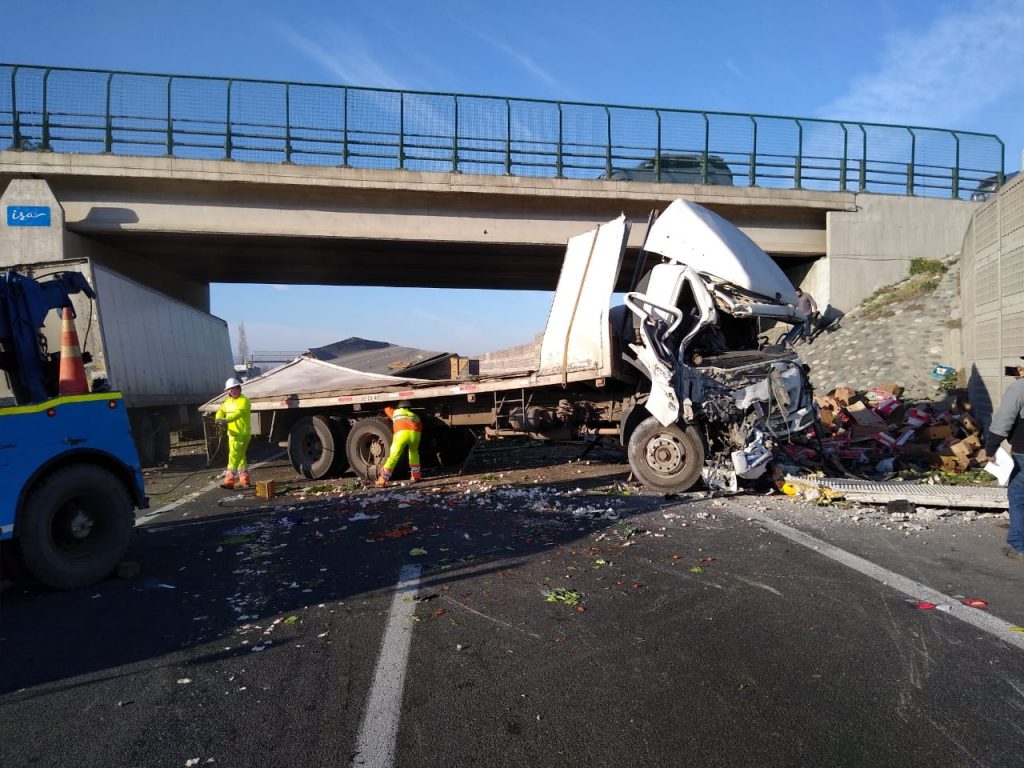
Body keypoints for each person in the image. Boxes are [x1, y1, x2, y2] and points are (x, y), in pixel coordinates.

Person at [984, 359, 1024, 560]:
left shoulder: (1020, 387)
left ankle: (1019, 546)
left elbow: (1004, 419)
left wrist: (991, 446)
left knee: (1019, 497)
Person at [215, 377, 252, 489]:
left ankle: (229, 481)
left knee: (234, 457)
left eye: (235, 388)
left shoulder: (244, 401)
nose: (234, 391)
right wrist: (218, 418)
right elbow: (221, 410)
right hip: (232, 434)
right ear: (228, 391)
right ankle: (245, 480)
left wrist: (225, 420)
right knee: (241, 457)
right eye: (231, 389)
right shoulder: (227, 402)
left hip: (242, 434)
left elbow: (238, 414)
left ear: (239, 389)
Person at [377, 401, 422, 487]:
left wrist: (388, 404)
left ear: (400, 407)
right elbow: (419, 427)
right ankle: (416, 476)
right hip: (415, 435)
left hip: (401, 434)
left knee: (393, 457)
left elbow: (387, 409)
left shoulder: (396, 412)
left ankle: (382, 480)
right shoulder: (415, 416)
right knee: (414, 453)